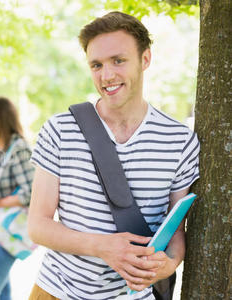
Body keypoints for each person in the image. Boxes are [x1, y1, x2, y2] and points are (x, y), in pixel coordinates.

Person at [28, 11, 200, 300]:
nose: (107, 76)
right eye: (97, 65)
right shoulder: (59, 130)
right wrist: (103, 246)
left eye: (118, 61)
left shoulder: (180, 140)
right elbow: (38, 226)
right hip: (56, 291)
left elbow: (176, 233)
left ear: (145, 59)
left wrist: (167, 265)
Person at [0, 97, 35, 300]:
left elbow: (31, 191)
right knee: (2, 291)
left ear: (1, 116)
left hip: (8, 233)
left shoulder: (19, 149)